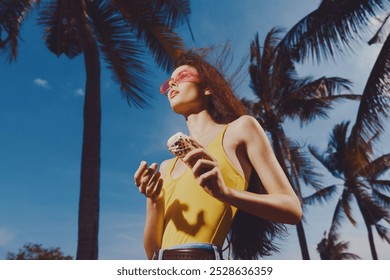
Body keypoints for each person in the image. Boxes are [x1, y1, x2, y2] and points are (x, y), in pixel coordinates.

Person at [133, 49, 302, 260]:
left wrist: (224, 193)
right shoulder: (166, 167)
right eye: (168, 83)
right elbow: (152, 254)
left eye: (182, 77)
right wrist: (154, 199)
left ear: (207, 88)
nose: (172, 85)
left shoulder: (239, 129)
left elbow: (292, 209)